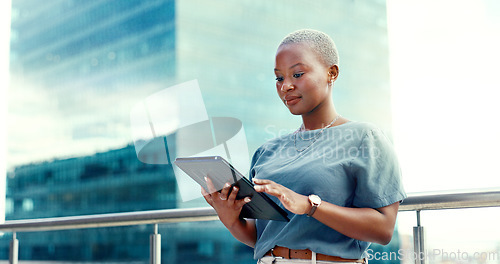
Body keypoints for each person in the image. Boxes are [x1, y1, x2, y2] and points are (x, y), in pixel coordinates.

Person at [201, 29, 406, 264]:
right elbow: (261, 237)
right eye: (279, 78)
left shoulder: (365, 138)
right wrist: (230, 218)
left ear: (332, 72)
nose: (285, 86)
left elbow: (383, 229)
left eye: (297, 74)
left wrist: (310, 206)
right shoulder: (267, 151)